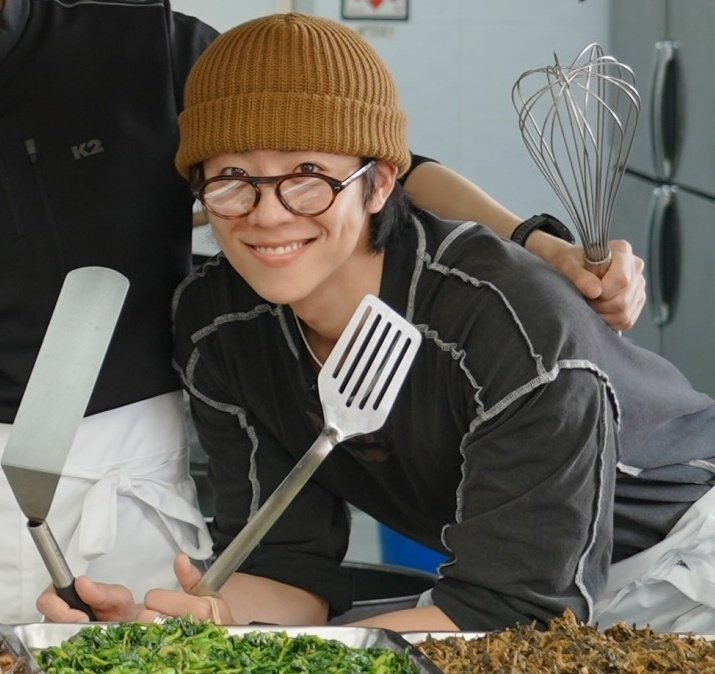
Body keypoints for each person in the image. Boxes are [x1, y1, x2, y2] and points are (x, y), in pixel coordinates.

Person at [38, 12, 715, 633]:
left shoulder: (507, 322)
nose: (268, 214)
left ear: (380, 182)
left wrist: (253, 658)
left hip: (685, 567)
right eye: (233, 178)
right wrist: (190, 634)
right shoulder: (220, 328)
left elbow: (512, 617)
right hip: (518, 592)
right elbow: (287, 566)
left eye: (308, 176)